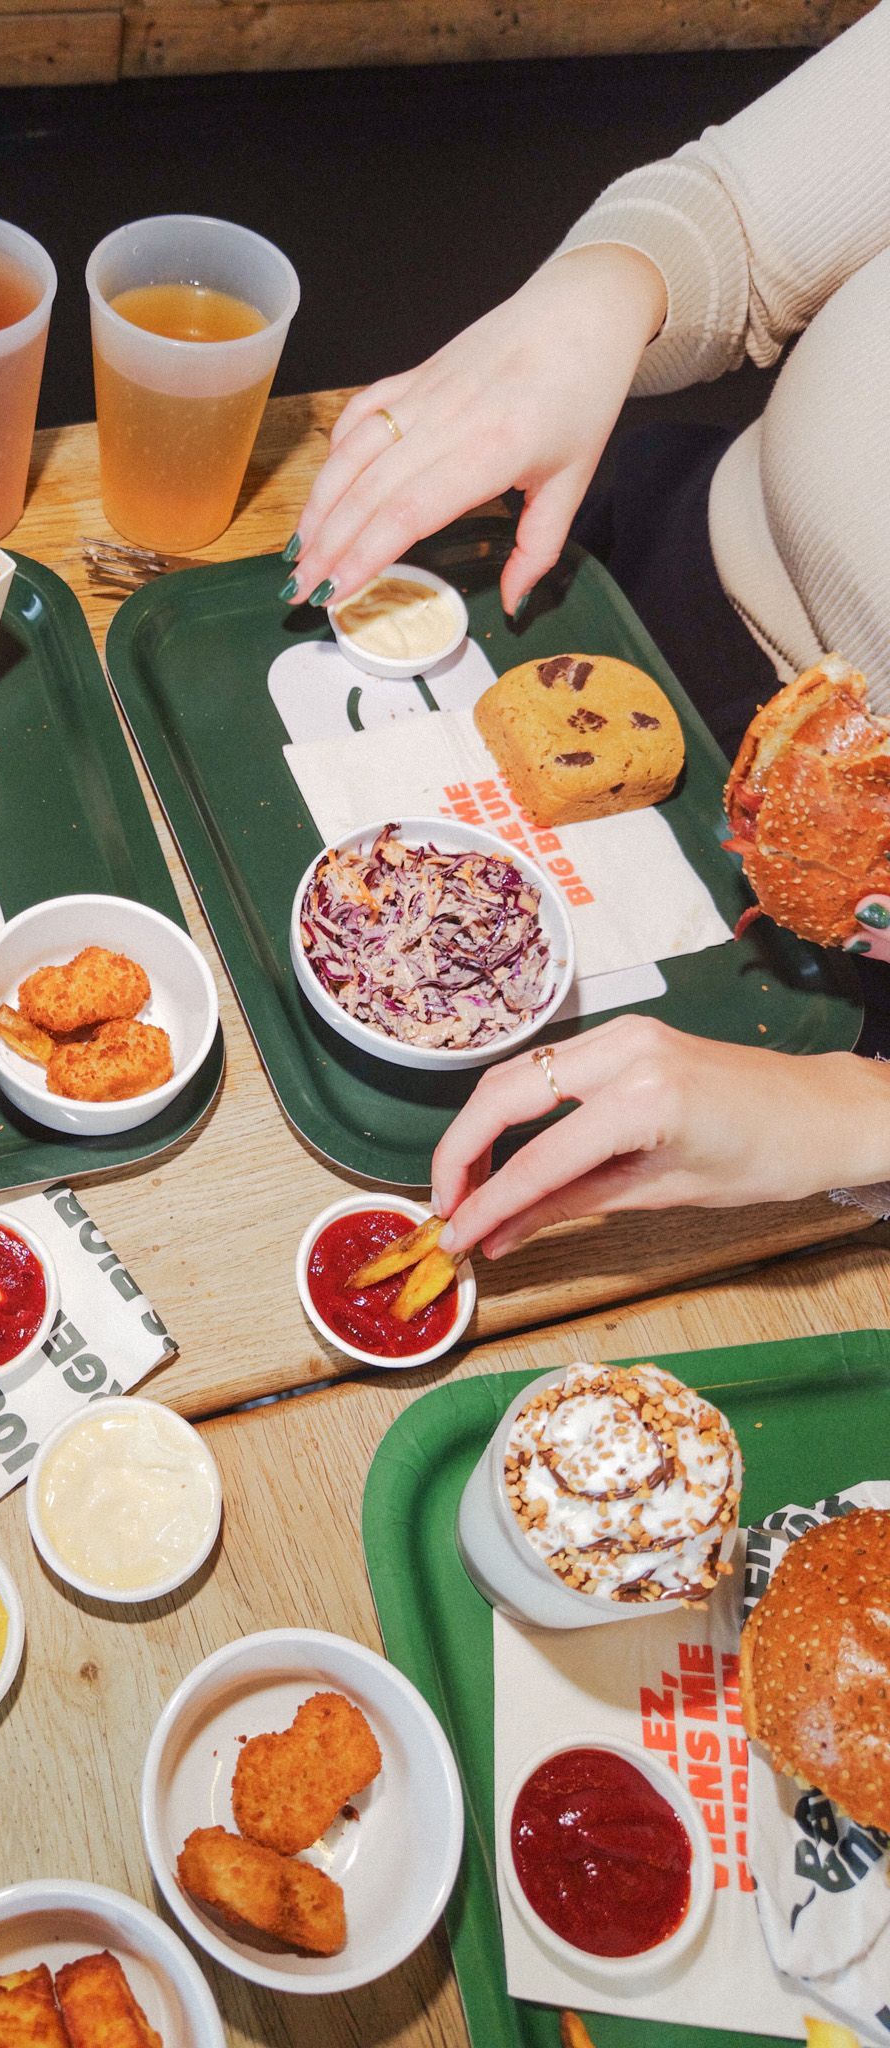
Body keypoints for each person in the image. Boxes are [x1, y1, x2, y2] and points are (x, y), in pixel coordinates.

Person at [280, 4, 890, 1261]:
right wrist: (604, 294)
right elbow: (743, 223)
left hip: (842, 1051)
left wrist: (858, 1113)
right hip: (636, 573)